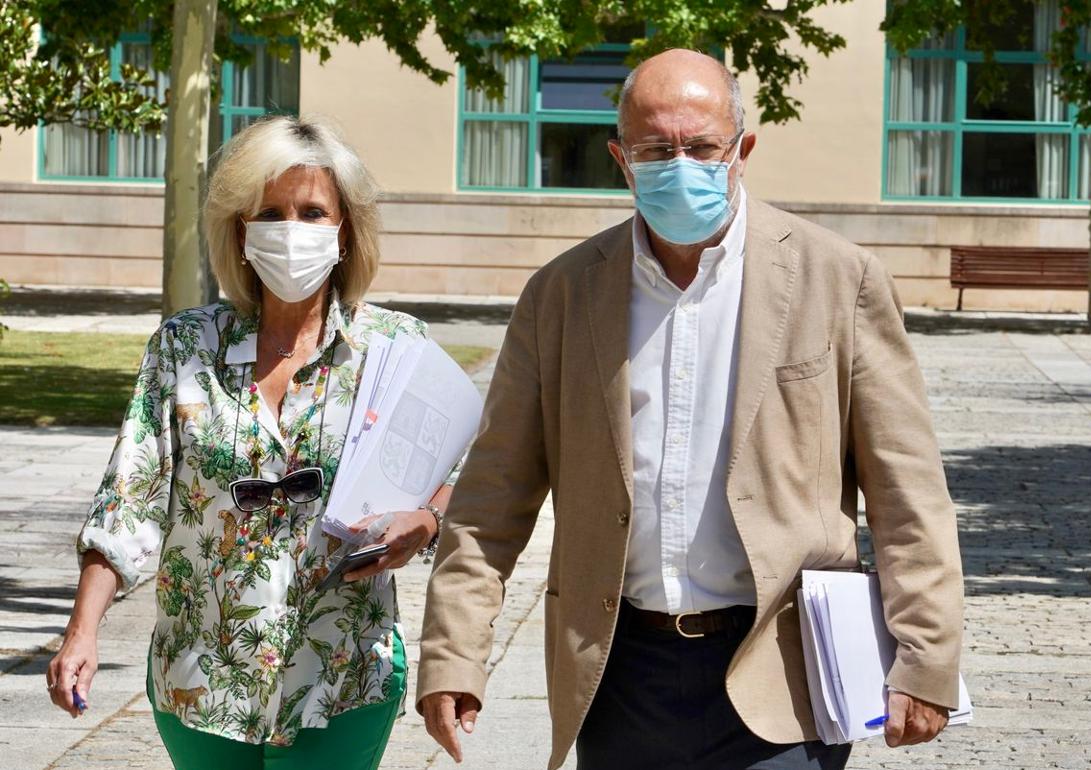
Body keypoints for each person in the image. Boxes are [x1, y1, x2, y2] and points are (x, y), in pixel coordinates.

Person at [416, 48, 964, 770]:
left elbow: (908, 491)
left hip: (783, 666)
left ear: (743, 150)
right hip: (618, 672)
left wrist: (927, 655)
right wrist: (453, 654)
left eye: (702, 147)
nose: (681, 165)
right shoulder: (562, 296)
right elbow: (490, 501)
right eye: (656, 148)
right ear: (621, 158)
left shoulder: (838, 279)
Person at [45, 115, 450, 770]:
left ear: (346, 231)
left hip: (342, 674)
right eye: (271, 212)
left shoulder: (395, 348)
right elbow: (128, 501)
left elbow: (462, 479)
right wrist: (82, 631)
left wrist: (427, 521)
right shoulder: (183, 347)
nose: (292, 229)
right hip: (202, 675)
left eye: (313, 212)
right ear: (240, 231)